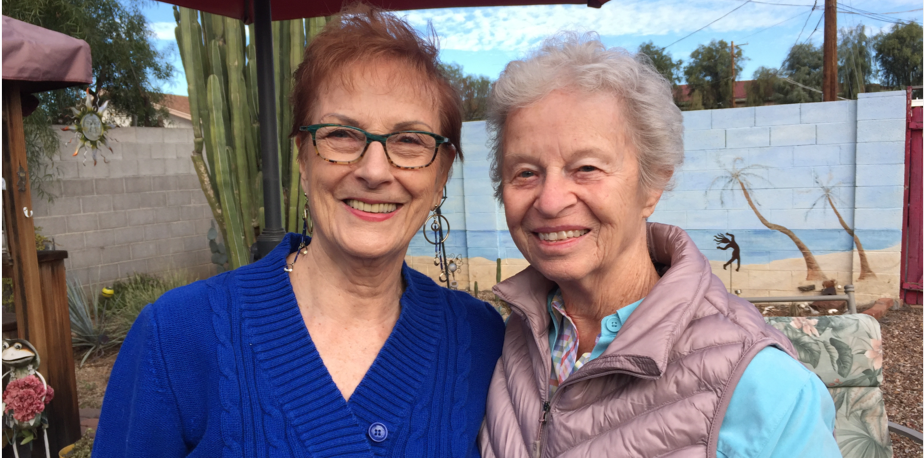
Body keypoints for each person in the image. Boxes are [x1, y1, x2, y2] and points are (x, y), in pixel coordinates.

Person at [93, 7, 504, 456]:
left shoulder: (479, 337)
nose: (374, 171)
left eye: (409, 141)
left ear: (441, 173)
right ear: (303, 159)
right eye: (342, 135)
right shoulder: (176, 337)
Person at [478, 33, 841, 458]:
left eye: (587, 167)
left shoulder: (760, 385)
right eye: (525, 172)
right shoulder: (511, 338)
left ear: (652, 185)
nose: (551, 200)